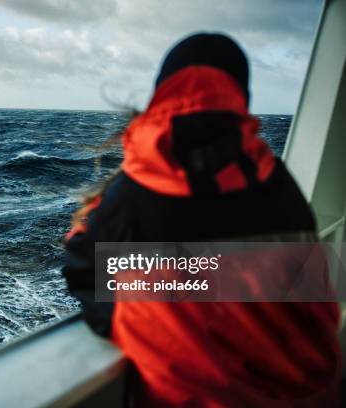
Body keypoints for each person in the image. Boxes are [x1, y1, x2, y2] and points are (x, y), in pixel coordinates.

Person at [62, 33, 340, 407]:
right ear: (240, 95)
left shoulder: (135, 188)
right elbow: (314, 295)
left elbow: (83, 269)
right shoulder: (278, 182)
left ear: (162, 91)